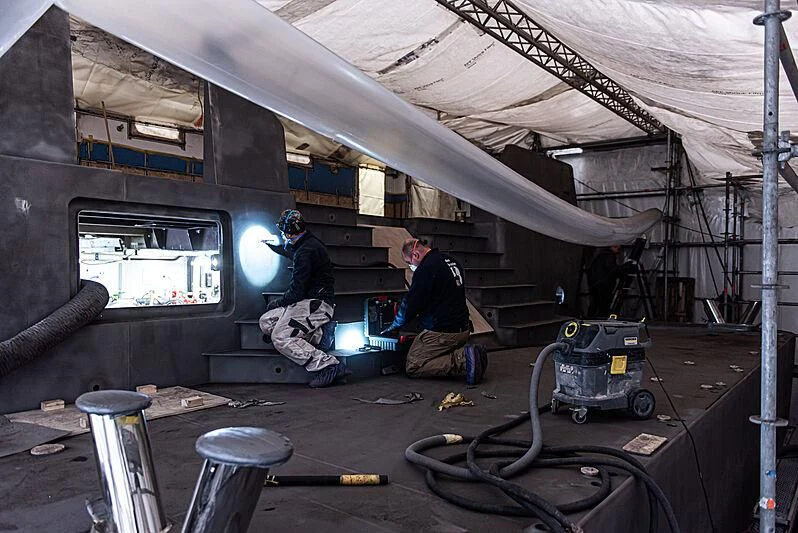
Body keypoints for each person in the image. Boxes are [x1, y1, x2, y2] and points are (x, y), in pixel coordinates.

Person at [259, 209, 349, 388]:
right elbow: (293, 253)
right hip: (306, 302)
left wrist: (278, 302)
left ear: (289, 232)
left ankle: (328, 365)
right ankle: (319, 335)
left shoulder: (306, 251)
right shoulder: (307, 244)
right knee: (266, 322)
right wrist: (272, 247)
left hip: (316, 304)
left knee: (279, 337)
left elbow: (296, 292)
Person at [381, 238, 488, 385]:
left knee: (414, 365)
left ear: (415, 255)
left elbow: (411, 304)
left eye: (409, 263)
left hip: (443, 332)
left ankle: (463, 359)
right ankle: (465, 353)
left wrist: (394, 325)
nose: (411, 266)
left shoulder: (426, 268)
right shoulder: (450, 260)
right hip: (463, 328)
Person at [586, 244, 622, 318]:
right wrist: (624, 269)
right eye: (617, 247)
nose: (619, 249)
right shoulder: (609, 256)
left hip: (595, 284)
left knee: (595, 304)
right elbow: (613, 270)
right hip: (603, 285)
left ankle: (590, 320)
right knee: (602, 306)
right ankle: (599, 321)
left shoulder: (601, 255)